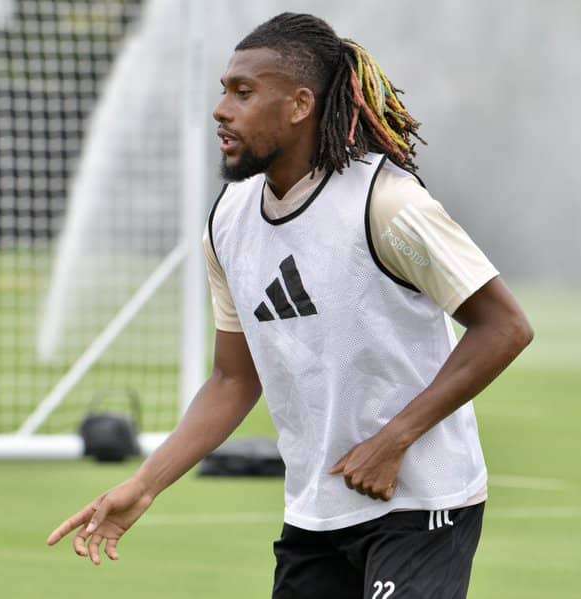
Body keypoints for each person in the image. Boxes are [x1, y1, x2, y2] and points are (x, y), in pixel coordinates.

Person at [48, 13, 533, 598]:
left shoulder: (386, 203)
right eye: (224, 90)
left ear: (301, 104)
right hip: (316, 510)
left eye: (244, 93)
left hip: (422, 502)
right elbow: (232, 380)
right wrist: (145, 485)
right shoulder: (228, 219)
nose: (221, 109)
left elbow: (504, 327)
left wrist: (394, 440)